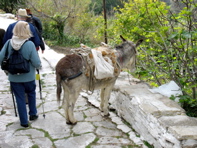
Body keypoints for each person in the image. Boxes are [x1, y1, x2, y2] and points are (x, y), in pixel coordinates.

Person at [0, 21, 42, 128]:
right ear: (26, 31)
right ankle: (32, 114)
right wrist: (39, 67)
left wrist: (6, 68)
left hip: (14, 78)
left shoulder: (8, 43)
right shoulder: (29, 44)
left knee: (20, 98)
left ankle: (23, 122)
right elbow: (36, 62)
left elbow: (1, 58)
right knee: (31, 94)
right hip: (29, 77)